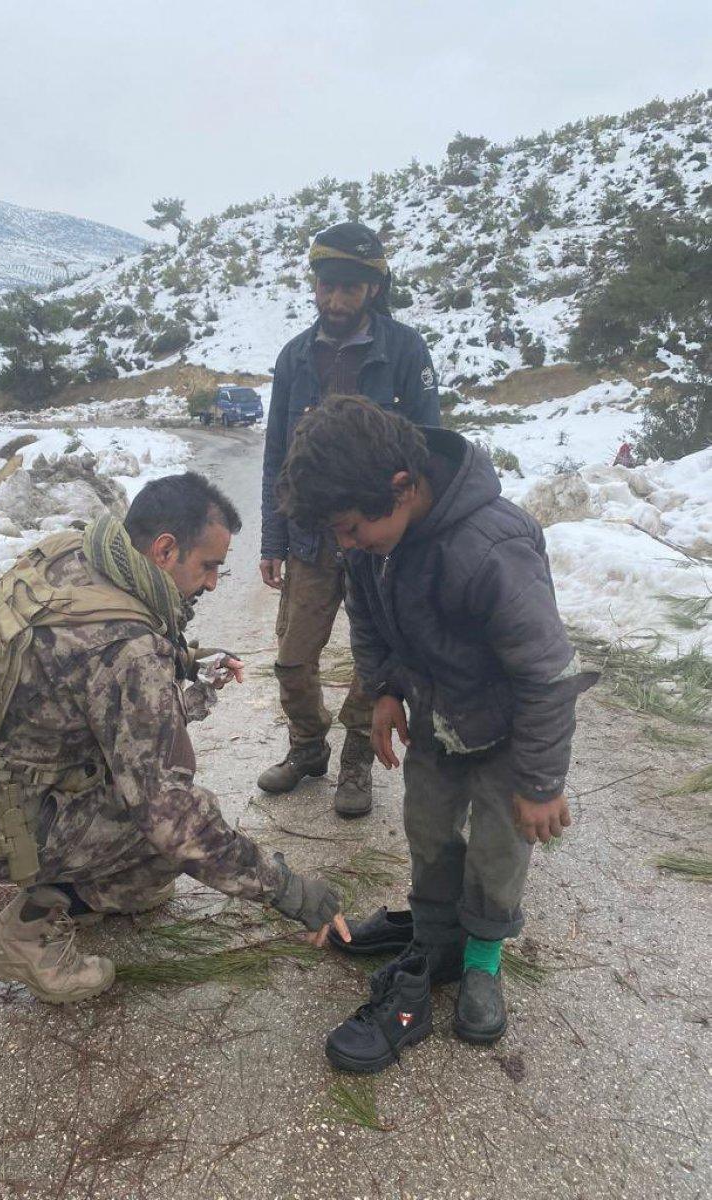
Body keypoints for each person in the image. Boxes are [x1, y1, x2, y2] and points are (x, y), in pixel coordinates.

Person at [0, 472, 349, 1005]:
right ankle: (24, 935)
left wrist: (184, 661)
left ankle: (104, 882)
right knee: (170, 836)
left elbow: (67, 661)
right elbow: (173, 816)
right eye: (209, 565)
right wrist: (288, 890)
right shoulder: (128, 650)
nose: (214, 582)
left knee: (157, 833)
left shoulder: (75, 552)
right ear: (165, 549)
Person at [277, 396, 595, 1069]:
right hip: (433, 719)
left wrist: (540, 783)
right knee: (427, 830)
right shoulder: (372, 544)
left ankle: (480, 960)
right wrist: (387, 687)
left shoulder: (491, 547)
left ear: (403, 486)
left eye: (351, 528)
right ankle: (431, 937)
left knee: (496, 851)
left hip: (508, 735)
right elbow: (368, 621)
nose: (346, 544)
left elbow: (547, 675)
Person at [259, 221, 441, 817]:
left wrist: (414, 539)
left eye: (349, 289)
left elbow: (427, 450)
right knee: (292, 658)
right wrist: (272, 539)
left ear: (372, 290)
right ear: (314, 284)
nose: (335, 300)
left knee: (374, 660)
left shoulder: (407, 352)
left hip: (377, 539)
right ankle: (307, 747)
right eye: (327, 286)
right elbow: (275, 458)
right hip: (311, 540)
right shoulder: (294, 356)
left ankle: (357, 763)